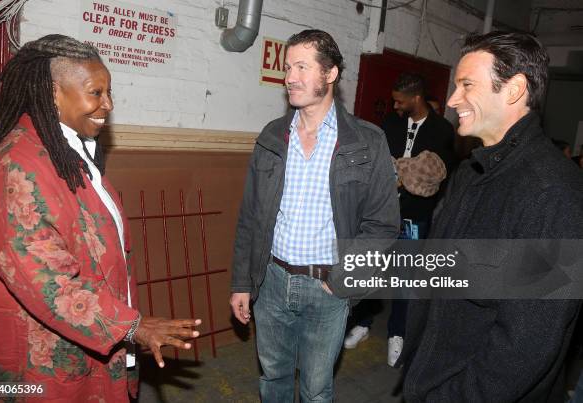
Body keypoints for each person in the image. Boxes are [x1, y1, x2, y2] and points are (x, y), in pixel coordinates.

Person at [0, 35, 200, 402]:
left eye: (109, 93)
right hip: (32, 366)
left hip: (81, 348)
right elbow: (50, 284)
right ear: (52, 92)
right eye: (96, 93)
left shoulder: (66, 148)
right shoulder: (18, 167)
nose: (107, 104)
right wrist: (132, 327)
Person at [400, 31, 583, 402]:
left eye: (467, 85)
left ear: (514, 89)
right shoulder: (471, 171)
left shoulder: (553, 193)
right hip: (431, 376)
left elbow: (528, 343)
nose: (453, 100)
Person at [229, 29, 400, 402]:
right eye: (288, 67)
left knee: (316, 388)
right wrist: (242, 282)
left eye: (302, 67)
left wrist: (342, 280)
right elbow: (250, 218)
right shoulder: (272, 136)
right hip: (271, 282)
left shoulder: (366, 142)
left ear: (330, 73)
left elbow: (382, 224)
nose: (290, 77)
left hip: (328, 287)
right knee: (272, 377)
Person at [344, 73, 455, 363]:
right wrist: (402, 172)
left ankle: (398, 333)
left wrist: (400, 173)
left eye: (399, 101)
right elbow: (379, 163)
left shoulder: (441, 130)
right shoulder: (391, 124)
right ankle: (363, 324)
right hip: (380, 213)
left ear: (415, 98)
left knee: (405, 278)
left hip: (414, 218)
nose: (395, 105)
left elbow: (432, 175)